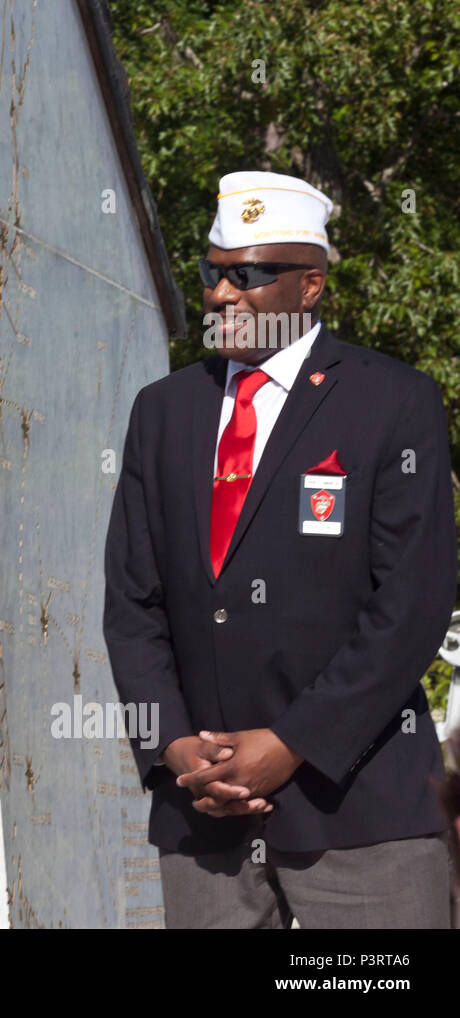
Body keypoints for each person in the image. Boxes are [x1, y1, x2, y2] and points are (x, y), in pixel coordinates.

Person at [103, 171, 457, 928]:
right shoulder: (162, 412)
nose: (223, 294)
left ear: (310, 287)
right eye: (213, 273)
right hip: (205, 817)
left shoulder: (393, 402)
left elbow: (411, 606)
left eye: (250, 275)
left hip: (360, 812)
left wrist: (292, 742)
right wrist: (174, 747)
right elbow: (133, 605)